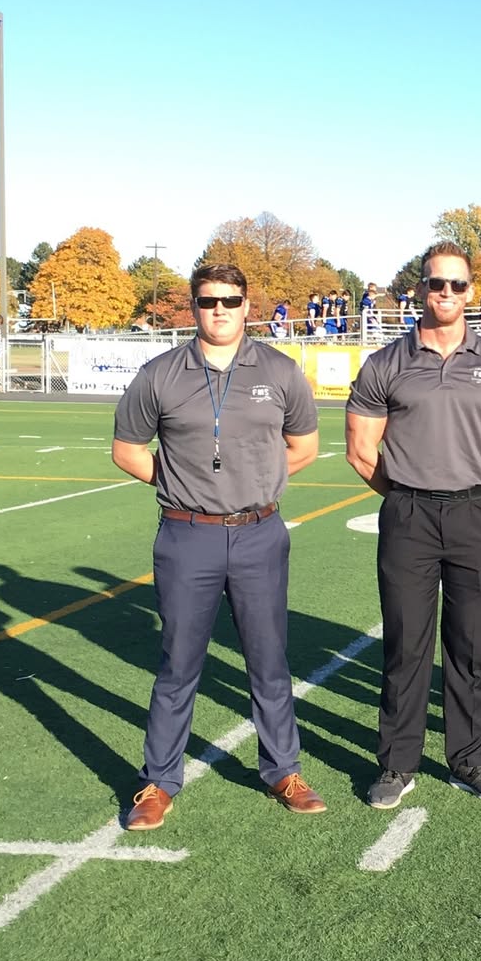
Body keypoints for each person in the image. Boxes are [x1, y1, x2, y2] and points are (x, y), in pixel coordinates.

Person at [113, 263, 325, 831]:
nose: (220, 310)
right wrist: (180, 483)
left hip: (259, 533)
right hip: (187, 537)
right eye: (208, 301)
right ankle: (158, 781)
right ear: (194, 306)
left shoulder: (279, 371)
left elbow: (303, 445)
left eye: (231, 300)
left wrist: (257, 483)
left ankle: (283, 769)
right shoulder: (159, 373)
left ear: (247, 304)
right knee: (178, 664)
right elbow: (127, 449)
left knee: (268, 660)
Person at [345, 241, 481, 809]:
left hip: (476, 511)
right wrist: (410, 494)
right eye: (435, 283)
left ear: (470, 292)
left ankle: (469, 759)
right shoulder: (385, 363)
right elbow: (360, 449)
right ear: (420, 290)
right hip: (408, 516)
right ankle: (397, 763)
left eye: (456, 284)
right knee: (406, 643)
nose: (445, 293)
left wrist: (470, 492)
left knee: (470, 646)